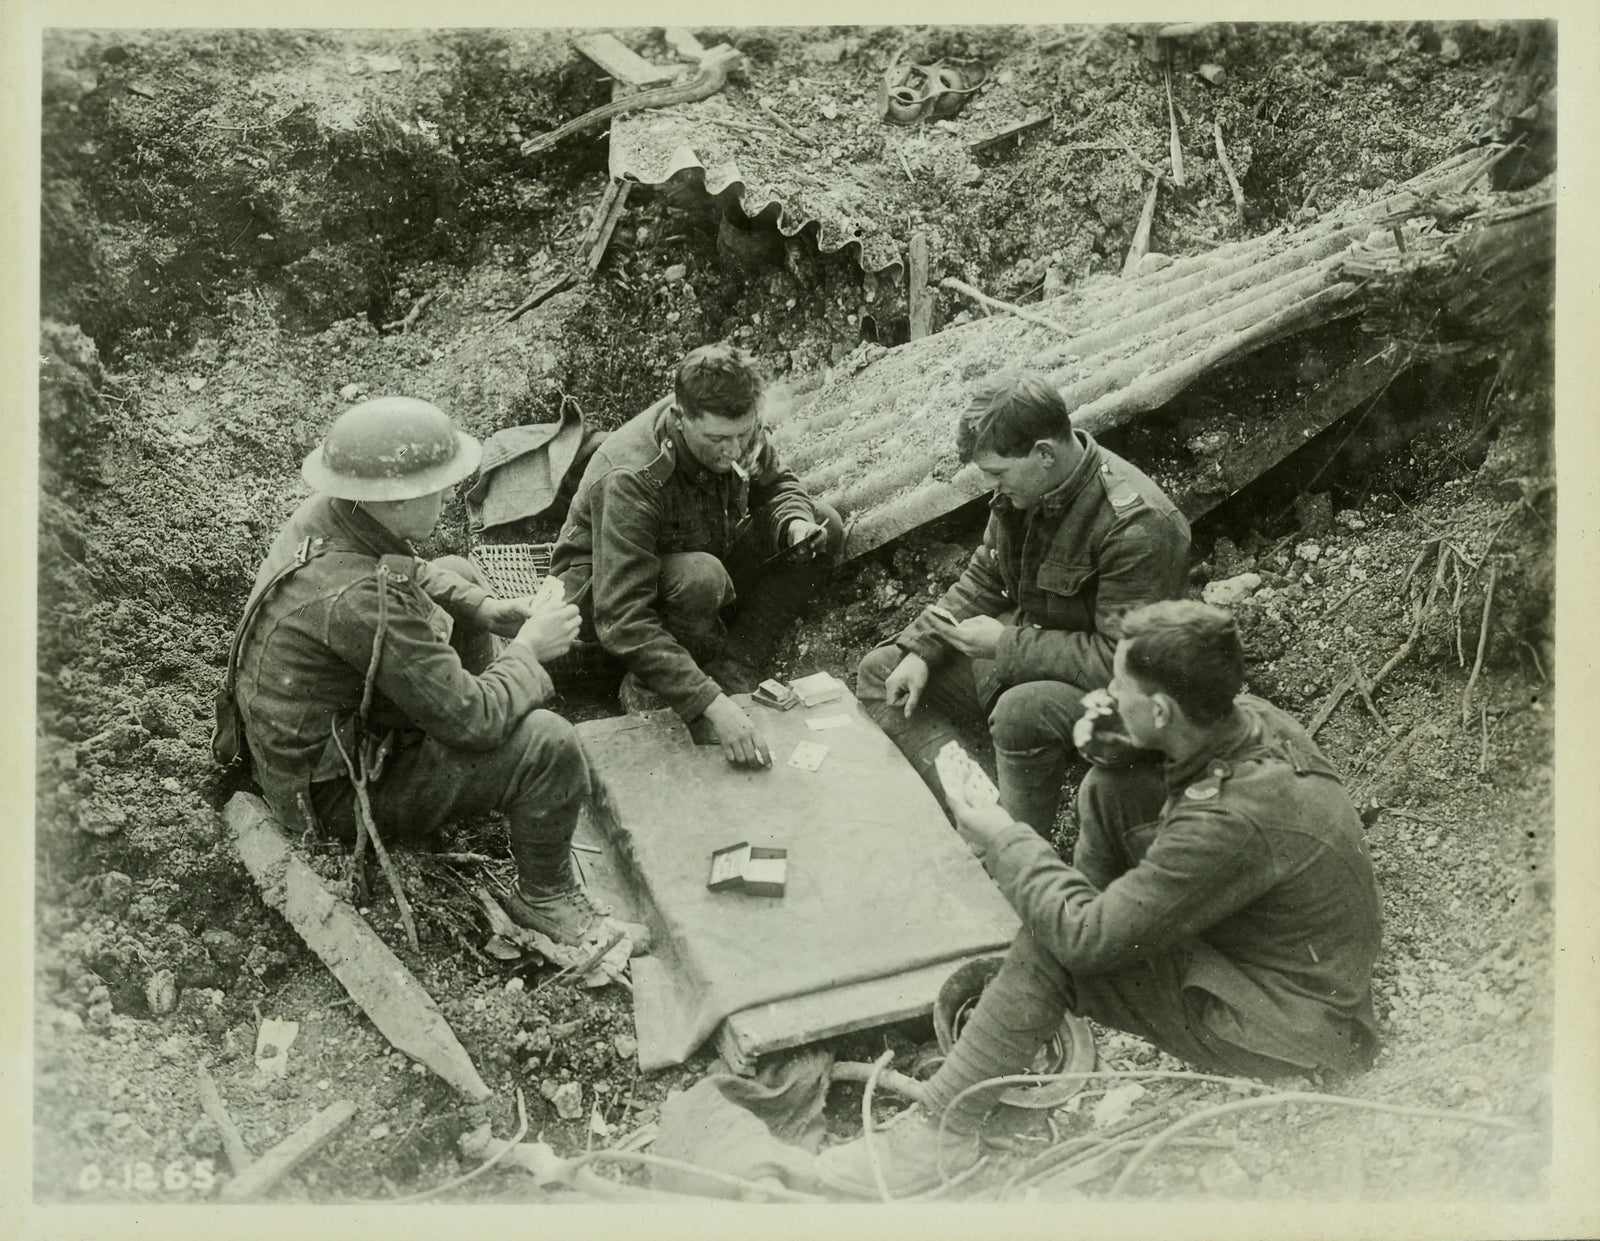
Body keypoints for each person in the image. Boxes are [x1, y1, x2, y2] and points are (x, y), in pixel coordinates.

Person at [818, 602, 1383, 1196]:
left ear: (1162, 709)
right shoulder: (1250, 719)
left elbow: (1087, 940)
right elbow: (1143, 777)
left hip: (1293, 1023)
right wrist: (1118, 745)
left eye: (1120, 685)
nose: (1108, 692)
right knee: (1111, 789)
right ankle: (1071, 916)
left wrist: (1005, 837)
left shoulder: (1228, 822)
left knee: (1056, 945)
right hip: (1297, 965)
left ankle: (941, 1135)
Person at [231, 396, 614, 946]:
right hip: (331, 797)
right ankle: (547, 900)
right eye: (440, 484)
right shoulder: (364, 601)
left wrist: (485, 609)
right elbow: (473, 720)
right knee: (548, 744)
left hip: (310, 744)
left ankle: (484, 756)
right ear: (396, 497)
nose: (452, 492)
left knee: (459, 576)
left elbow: (411, 570)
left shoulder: (335, 512)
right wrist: (527, 650)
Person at [856, 370, 1191, 835]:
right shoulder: (1025, 491)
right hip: (1035, 650)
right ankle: (979, 810)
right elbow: (986, 577)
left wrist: (1005, 645)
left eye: (997, 473)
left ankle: (1016, 856)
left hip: (1130, 695)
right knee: (882, 673)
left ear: (1045, 455)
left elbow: (1123, 662)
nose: (993, 489)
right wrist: (922, 648)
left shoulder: (1136, 526)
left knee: (1021, 711)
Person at [551, 343, 843, 769]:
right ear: (680, 418)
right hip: (607, 591)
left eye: (743, 434)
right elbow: (621, 617)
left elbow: (778, 485)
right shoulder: (632, 475)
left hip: (700, 547)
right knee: (700, 578)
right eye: (718, 440)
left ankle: (736, 661)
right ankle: (648, 686)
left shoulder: (734, 428)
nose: (733, 450)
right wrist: (708, 703)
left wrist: (794, 524)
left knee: (825, 523)